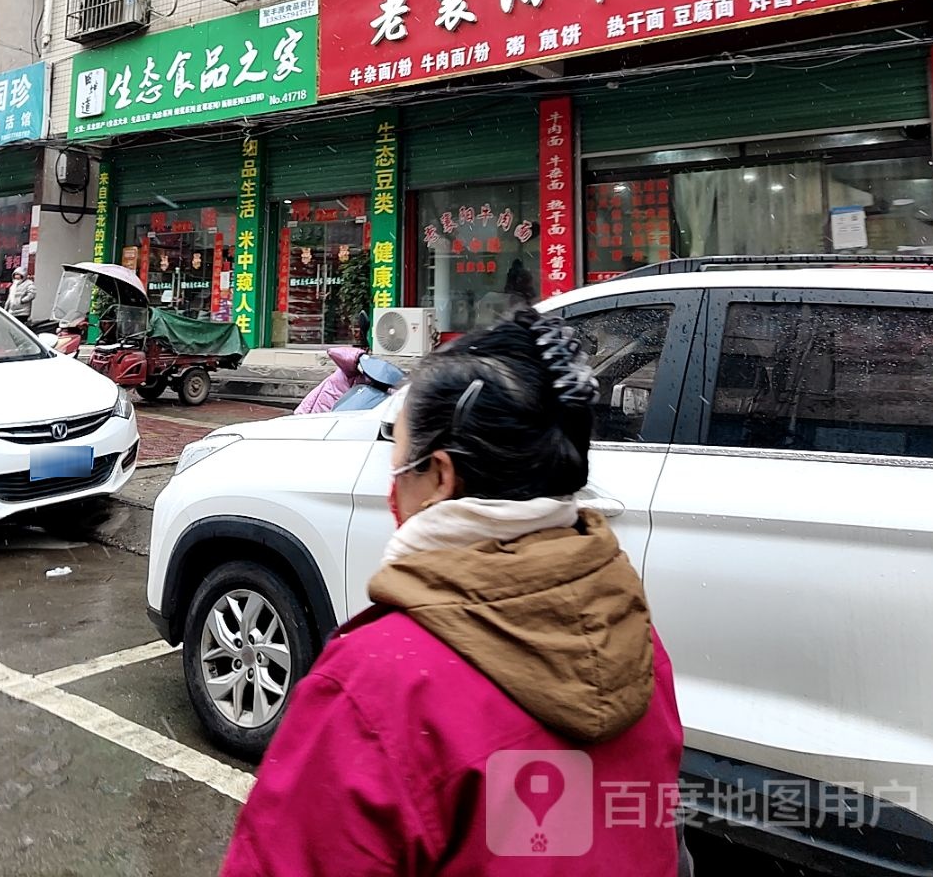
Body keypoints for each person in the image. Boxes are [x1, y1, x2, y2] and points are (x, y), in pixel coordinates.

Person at [222, 308, 687, 877]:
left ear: (440, 476)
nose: (392, 487)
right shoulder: (629, 631)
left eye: (399, 463)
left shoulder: (376, 687)